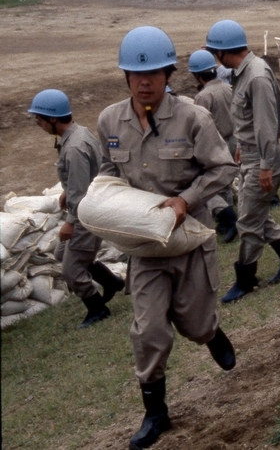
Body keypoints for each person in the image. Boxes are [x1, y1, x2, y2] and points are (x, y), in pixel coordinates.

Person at [96, 26, 238, 448]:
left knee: (193, 323)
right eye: (136, 75)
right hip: (144, 246)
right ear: (125, 77)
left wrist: (185, 200)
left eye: (153, 74)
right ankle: (155, 413)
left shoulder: (193, 117)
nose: (144, 83)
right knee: (148, 331)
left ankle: (210, 333)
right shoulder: (110, 121)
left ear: (168, 74)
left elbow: (223, 168)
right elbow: (108, 171)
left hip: (188, 238)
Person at [204, 20, 280, 303]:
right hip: (253, 154)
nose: (214, 58)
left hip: (264, 158)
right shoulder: (245, 73)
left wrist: (264, 165)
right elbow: (249, 120)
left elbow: (266, 125)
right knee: (256, 213)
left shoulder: (256, 76)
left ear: (223, 52)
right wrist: (242, 146)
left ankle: (246, 279)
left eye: (214, 52)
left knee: (248, 222)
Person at [27, 89, 124, 328]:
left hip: (86, 213)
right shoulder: (79, 133)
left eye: (39, 119)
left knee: (70, 270)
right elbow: (86, 175)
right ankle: (111, 282)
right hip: (87, 205)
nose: (38, 124)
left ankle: (97, 308)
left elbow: (80, 192)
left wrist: (70, 222)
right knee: (62, 253)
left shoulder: (73, 148)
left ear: (52, 118)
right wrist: (66, 190)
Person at [188, 50, 238, 243]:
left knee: (218, 184)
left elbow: (198, 124)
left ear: (197, 75)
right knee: (230, 180)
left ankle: (228, 221)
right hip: (234, 139)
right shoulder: (228, 88)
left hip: (217, 143)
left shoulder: (203, 96)